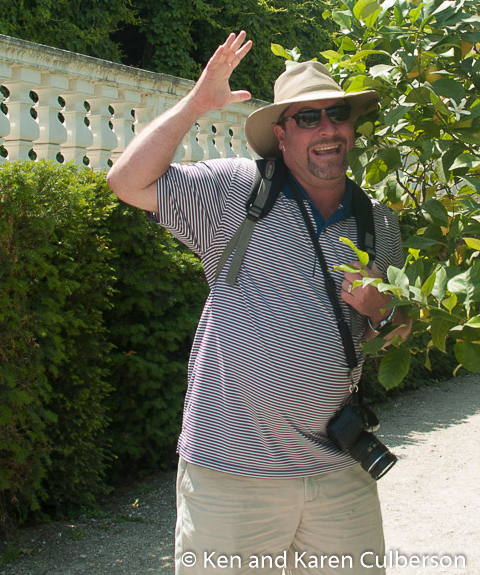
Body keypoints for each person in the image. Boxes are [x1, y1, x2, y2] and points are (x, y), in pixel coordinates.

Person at [105, 31, 410, 575]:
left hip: (337, 467)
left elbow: (395, 335)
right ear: (281, 134)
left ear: (352, 126)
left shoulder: (377, 222)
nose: (327, 129)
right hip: (231, 471)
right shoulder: (235, 191)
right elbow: (127, 181)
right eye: (308, 117)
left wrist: (380, 310)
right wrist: (197, 104)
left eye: (337, 114)